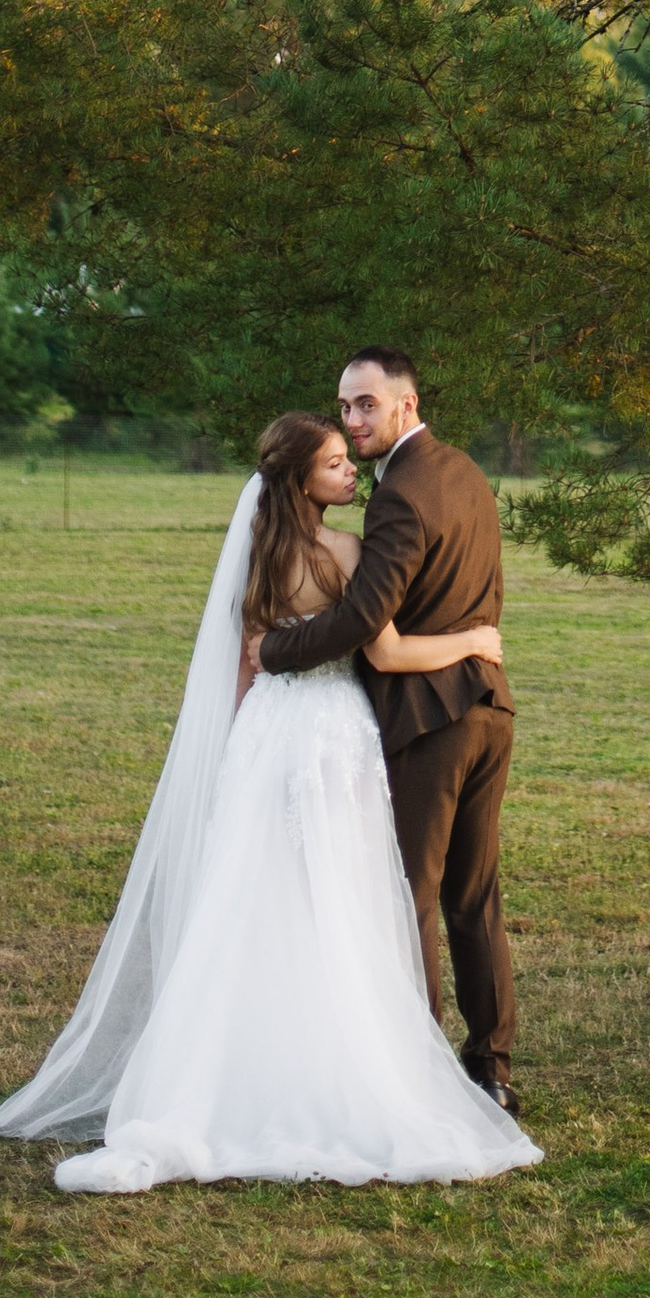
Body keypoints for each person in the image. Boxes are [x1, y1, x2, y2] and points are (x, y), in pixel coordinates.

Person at [0, 407, 540, 1195]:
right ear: (301, 479)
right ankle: (354, 1063)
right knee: (341, 902)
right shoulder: (346, 552)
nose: (350, 471)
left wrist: (236, 752)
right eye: (335, 463)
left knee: (253, 902)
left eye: (351, 456)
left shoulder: (253, 558)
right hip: (334, 738)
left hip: (269, 736)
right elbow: (385, 648)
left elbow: (242, 668)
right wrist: (474, 642)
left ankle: (229, 1070)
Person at [258, 348, 520, 1113]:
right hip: (488, 708)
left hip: (429, 720)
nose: (354, 419)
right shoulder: (466, 470)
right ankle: (492, 1069)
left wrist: (276, 648)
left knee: (409, 896)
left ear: (406, 403)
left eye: (367, 404)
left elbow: (365, 618)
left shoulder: (401, 492)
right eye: (344, 407)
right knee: (475, 895)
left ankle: (417, 1076)